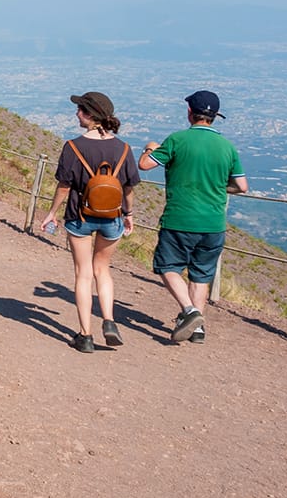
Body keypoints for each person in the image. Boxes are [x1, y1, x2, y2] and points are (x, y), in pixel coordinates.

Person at [138, 90, 247, 345]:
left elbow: (144, 165)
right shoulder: (227, 147)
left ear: (190, 113)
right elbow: (242, 186)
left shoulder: (177, 140)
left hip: (180, 219)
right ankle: (197, 330)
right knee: (201, 275)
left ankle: (190, 312)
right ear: (214, 117)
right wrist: (220, 187)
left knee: (167, 267)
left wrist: (150, 148)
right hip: (214, 224)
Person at [40, 92, 139, 353]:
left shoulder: (73, 147)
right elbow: (128, 188)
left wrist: (52, 212)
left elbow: (64, 186)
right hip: (112, 219)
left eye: (80, 110)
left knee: (83, 274)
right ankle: (109, 320)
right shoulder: (124, 148)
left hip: (80, 218)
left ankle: (85, 335)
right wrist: (128, 215)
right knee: (102, 271)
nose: (76, 114)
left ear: (90, 115)